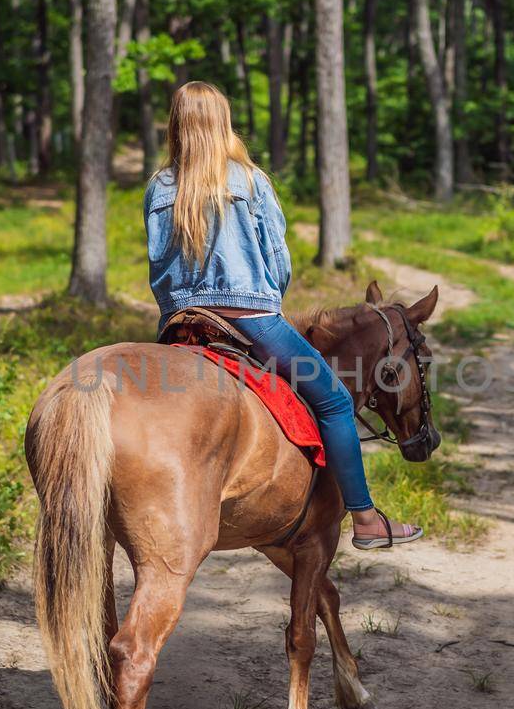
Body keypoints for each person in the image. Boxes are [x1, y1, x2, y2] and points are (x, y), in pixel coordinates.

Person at [144, 81, 423, 550]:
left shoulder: (158, 186)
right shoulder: (248, 180)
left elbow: (156, 264)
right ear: (223, 122)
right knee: (334, 401)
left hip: (182, 323)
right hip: (250, 318)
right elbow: (278, 262)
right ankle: (366, 518)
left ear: (175, 124)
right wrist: (267, 299)